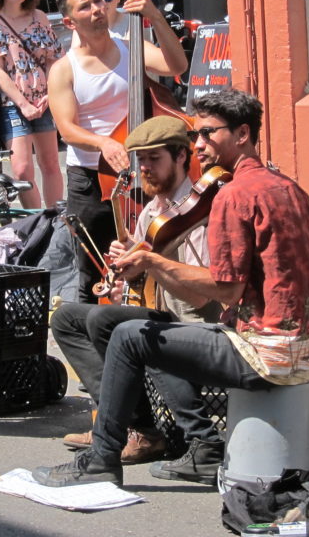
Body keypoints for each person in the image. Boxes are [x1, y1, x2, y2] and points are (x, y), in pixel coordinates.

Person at [32, 89, 309, 487]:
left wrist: (153, 261)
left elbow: (224, 291)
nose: (200, 145)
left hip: (262, 353)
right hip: (301, 350)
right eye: (198, 135)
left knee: (130, 334)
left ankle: (106, 460)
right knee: (129, 327)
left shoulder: (233, 195)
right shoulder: (286, 186)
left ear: (242, 134)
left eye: (208, 134)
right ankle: (158, 442)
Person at [51, 115, 223, 465]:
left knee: (106, 321)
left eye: (154, 159)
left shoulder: (200, 212)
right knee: (67, 317)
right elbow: (142, 290)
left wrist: (152, 262)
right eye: (140, 160)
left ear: (181, 157)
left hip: (194, 325)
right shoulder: (150, 213)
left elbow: (201, 297)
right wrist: (127, 281)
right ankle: (134, 424)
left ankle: (148, 431)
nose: (145, 168)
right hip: (161, 317)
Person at [47, 0, 188, 303]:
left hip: (141, 170)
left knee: (149, 257)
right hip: (92, 177)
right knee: (93, 269)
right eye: (86, 6)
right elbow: (67, 129)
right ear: (69, 22)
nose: (97, 9)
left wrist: (154, 14)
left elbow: (176, 65)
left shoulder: (130, 46)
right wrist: (104, 143)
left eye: (100, 1)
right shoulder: (64, 69)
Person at [0, 0, 64, 209]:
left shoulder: (39, 17)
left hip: (44, 99)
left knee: (50, 162)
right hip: (13, 103)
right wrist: (22, 103)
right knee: (21, 169)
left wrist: (50, 94)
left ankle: (55, 221)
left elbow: (52, 58)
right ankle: (36, 223)